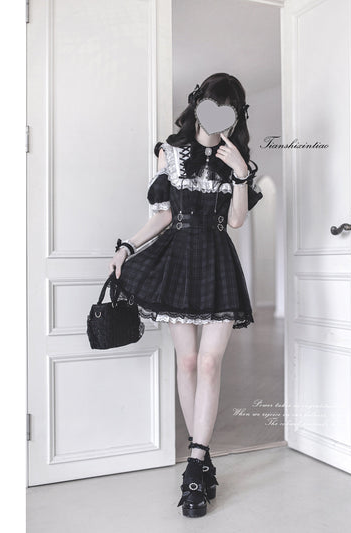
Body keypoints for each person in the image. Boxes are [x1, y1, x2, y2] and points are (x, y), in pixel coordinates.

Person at [108, 73, 263, 518]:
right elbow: (161, 217)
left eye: (227, 112)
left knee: (211, 362)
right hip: (177, 259)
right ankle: (203, 455)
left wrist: (240, 174)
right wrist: (127, 247)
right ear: (198, 105)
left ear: (235, 117)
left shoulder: (238, 161)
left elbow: (236, 221)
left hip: (217, 261)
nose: (217, 119)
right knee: (190, 361)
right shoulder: (170, 152)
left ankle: (195, 462)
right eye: (212, 107)